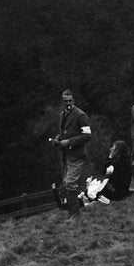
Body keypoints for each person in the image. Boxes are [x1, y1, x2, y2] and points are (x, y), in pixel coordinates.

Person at [53, 89, 92, 218]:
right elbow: (64, 131)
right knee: (67, 183)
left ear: (73, 100)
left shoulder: (81, 115)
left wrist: (69, 142)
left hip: (77, 154)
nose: (68, 103)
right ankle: (72, 210)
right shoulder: (61, 115)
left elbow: (87, 135)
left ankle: (75, 214)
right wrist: (58, 139)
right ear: (62, 102)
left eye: (70, 100)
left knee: (70, 183)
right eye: (65, 101)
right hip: (65, 155)